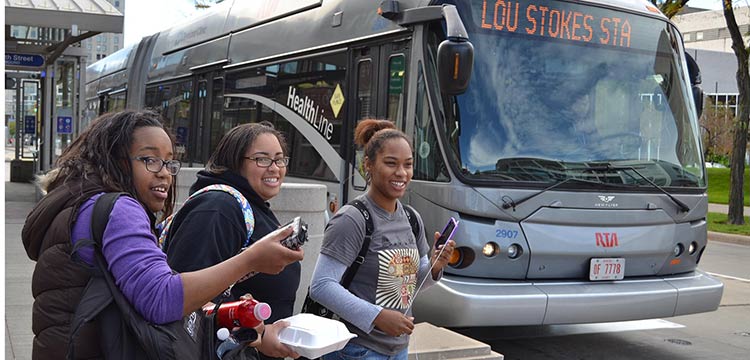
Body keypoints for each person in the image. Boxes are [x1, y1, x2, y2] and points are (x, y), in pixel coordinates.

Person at [21, 110, 303, 360]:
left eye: (169, 162)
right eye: (150, 160)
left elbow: (137, 296)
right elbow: (161, 300)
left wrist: (248, 329)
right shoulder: (120, 209)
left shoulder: (79, 203)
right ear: (116, 159)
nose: (165, 174)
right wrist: (250, 260)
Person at [309, 119, 456, 360]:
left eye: (408, 165)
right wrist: (378, 316)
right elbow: (321, 285)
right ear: (368, 165)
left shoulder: (411, 217)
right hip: (355, 350)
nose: (401, 173)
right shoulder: (353, 219)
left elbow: (411, 285)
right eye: (391, 163)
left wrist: (436, 267)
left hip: (398, 348)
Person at [163, 122, 300, 359]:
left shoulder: (250, 204)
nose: (275, 168)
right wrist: (258, 339)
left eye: (280, 159)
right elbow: (186, 302)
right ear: (235, 162)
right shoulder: (218, 208)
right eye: (262, 159)